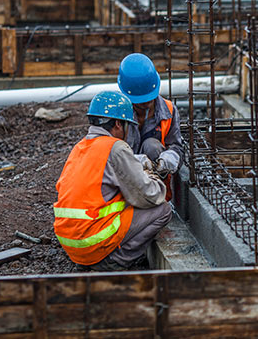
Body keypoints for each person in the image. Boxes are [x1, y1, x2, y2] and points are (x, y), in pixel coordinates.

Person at [53, 90, 171, 271]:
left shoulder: (79, 148)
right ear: (118, 124)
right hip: (90, 241)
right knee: (162, 210)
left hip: (70, 242)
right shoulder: (115, 147)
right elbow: (149, 196)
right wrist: (153, 177)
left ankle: (94, 257)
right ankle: (115, 261)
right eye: (127, 126)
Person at [118, 53, 183, 201]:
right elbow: (106, 153)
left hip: (155, 181)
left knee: (152, 146)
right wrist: (133, 162)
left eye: (149, 98)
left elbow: (177, 146)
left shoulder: (169, 110)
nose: (147, 103)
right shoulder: (117, 113)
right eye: (140, 101)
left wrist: (170, 158)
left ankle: (156, 198)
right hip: (122, 178)